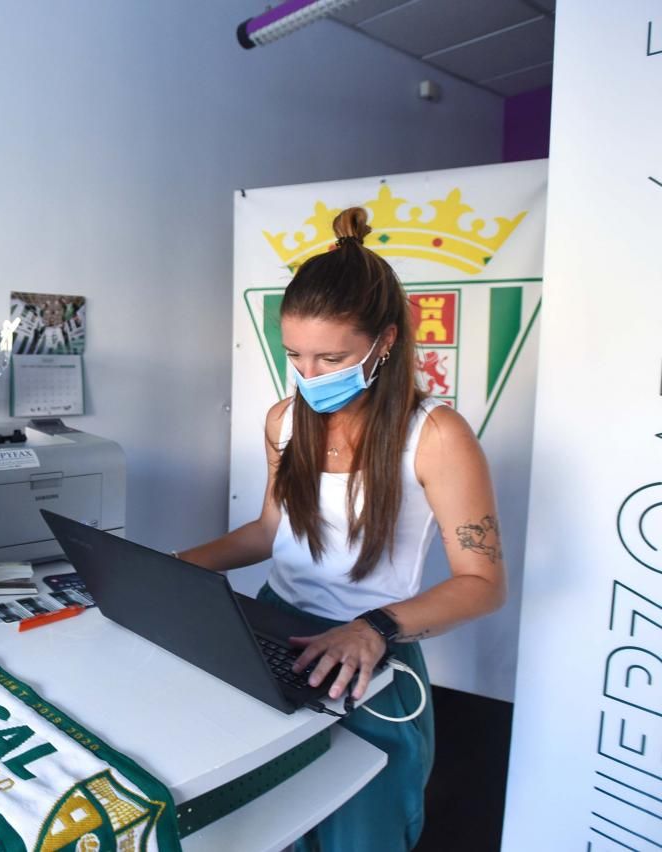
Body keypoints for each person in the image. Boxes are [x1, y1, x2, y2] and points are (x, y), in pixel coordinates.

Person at [178, 207, 506, 852]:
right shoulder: (284, 420)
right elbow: (272, 531)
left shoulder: (435, 435)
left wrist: (374, 628)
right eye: (295, 355)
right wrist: (172, 564)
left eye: (333, 358)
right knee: (270, 816)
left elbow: (482, 582)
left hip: (370, 651)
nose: (310, 376)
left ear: (384, 343)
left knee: (362, 830)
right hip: (273, 632)